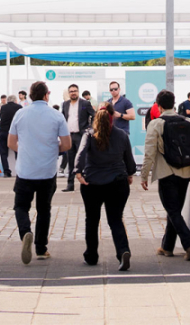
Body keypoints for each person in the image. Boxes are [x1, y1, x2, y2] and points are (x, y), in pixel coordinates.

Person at [9, 81, 71, 264]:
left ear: (30, 96)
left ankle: (25, 232)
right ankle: (41, 249)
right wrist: (53, 149)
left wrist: (27, 150)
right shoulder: (57, 115)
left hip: (25, 170)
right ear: (46, 95)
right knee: (44, 210)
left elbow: (11, 143)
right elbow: (66, 144)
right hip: (47, 171)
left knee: (20, 207)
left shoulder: (20, 114)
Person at [141, 89, 190, 261]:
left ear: (159, 105)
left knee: (172, 210)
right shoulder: (187, 121)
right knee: (174, 209)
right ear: (174, 103)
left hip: (166, 172)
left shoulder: (156, 124)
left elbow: (149, 152)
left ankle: (189, 244)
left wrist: (144, 175)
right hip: (186, 171)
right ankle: (167, 247)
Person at [74, 105, 136, 270]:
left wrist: (78, 173)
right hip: (117, 182)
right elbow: (129, 160)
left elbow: (80, 155)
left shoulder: (89, 134)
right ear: (112, 116)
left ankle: (91, 255)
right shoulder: (122, 135)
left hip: (92, 183)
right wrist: (129, 174)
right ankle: (123, 251)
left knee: (92, 220)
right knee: (115, 219)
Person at [61, 84, 97, 192]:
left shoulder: (85, 103)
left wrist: (90, 128)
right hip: (69, 136)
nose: (73, 93)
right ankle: (70, 185)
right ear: (69, 93)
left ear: (78, 91)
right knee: (70, 160)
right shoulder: (65, 104)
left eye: (75, 91)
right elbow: (62, 118)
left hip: (81, 135)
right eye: (71, 91)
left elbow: (94, 115)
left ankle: (87, 183)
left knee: (83, 159)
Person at [0, 94, 23, 177]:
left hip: (3, 132)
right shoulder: (19, 107)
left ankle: (6, 171)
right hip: (15, 133)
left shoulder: (3, 107)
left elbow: (1, 117)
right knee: (18, 151)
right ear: (15, 100)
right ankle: (19, 170)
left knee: (3, 153)